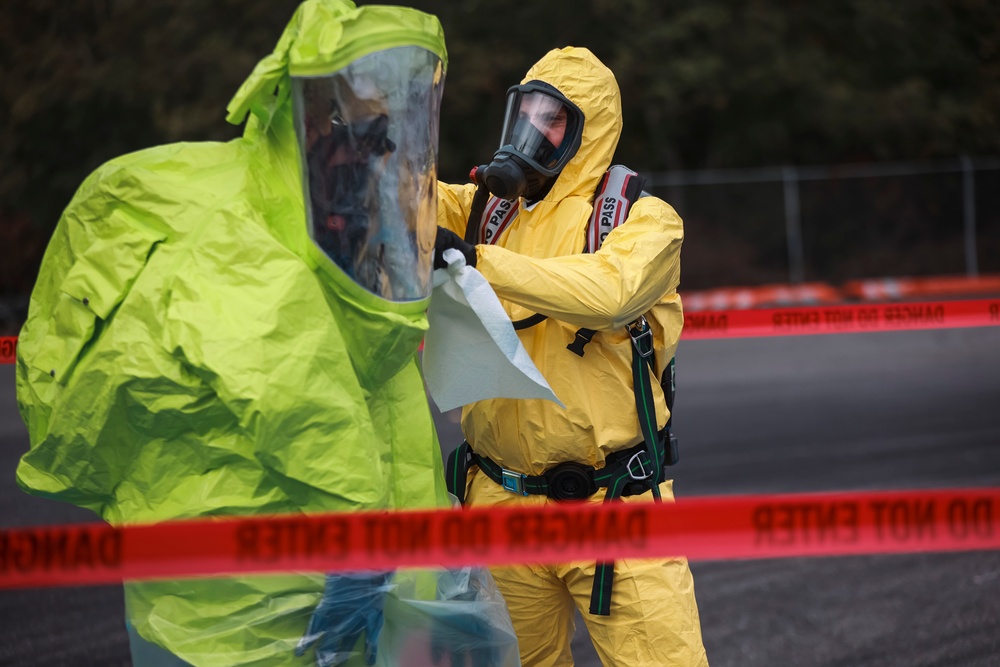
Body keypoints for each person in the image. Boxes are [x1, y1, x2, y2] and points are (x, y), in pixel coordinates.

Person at [15, 2, 518, 666]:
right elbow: (294, 391)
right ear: (297, 107)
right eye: (339, 115)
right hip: (249, 610)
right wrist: (367, 545)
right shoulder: (239, 234)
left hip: (316, 584)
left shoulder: (308, 218)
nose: (366, 143)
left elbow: (362, 371)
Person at [434, 47, 711, 666]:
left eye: (553, 117)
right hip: (497, 502)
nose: (533, 129)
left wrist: (475, 260)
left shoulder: (644, 221)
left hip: (614, 504)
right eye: (525, 111)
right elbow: (403, 198)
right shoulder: (487, 212)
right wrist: (365, 141)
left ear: (588, 131)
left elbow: (610, 293)